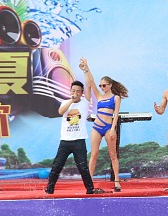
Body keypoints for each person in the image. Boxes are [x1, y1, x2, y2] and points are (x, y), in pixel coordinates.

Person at [80, 58, 128, 192]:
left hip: (108, 128)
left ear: (110, 85)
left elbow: (116, 114)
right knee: (94, 154)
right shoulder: (99, 96)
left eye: (104, 85)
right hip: (96, 127)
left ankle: (117, 181)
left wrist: (112, 129)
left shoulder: (116, 98)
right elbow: (91, 82)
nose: (102, 88)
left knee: (113, 155)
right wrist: (86, 68)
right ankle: (89, 181)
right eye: (101, 86)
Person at [44, 79, 98, 195]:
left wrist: (86, 70)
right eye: (73, 90)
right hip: (65, 141)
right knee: (57, 166)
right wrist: (71, 101)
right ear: (70, 91)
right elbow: (60, 112)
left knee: (82, 167)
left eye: (78, 91)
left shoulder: (85, 103)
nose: (75, 93)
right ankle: (49, 189)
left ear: (82, 92)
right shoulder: (65, 102)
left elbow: (89, 85)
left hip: (79, 141)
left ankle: (90, 189)